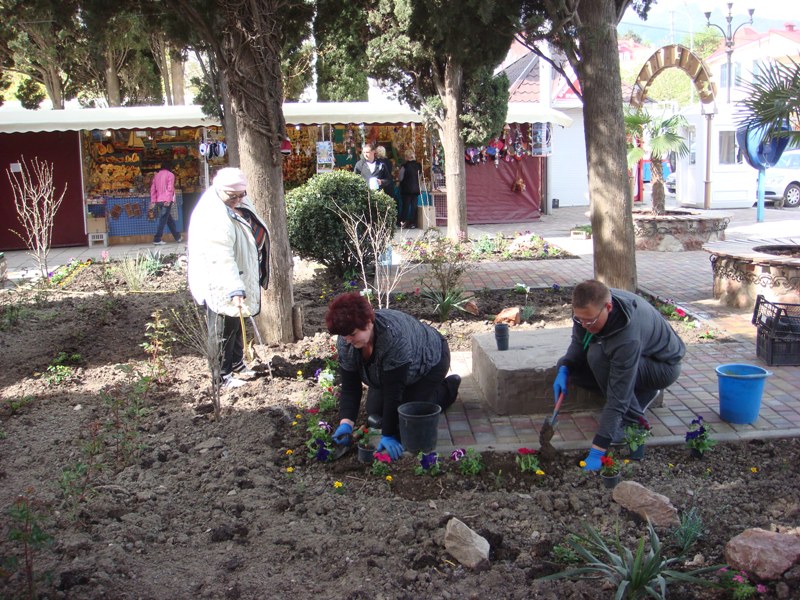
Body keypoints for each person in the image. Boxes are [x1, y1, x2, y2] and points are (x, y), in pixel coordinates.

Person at [553, 280, 685, 471]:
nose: (584, 324)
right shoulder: (592, 308)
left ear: (608, 307)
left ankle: (634, 423)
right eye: (579, 319)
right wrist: (565, 367)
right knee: (570, 364)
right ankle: (641, 395)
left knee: (598, 357)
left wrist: (598, 450)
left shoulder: (627, 335)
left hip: (662, 367)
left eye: (589, 321)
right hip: (637, 360)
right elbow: (579, 341)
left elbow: (617, 396)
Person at [326, 292, 462, 460]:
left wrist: (389, 434)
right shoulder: (347, 341)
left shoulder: (392, 338)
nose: (348, 340)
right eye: (344, 336)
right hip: (394, 371)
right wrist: (346, 424)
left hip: (431, 359)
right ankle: (414, 397)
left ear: (368, 323)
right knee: (375, 412)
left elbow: (393, 392)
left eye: (352, 334)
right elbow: (350, 387)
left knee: (408, 414)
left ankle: (448, 388)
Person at [187, 167, 270, 390]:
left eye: (241, 195)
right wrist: (235, 289)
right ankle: (220, 376)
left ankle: (236, 364)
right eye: (232, 196)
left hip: (237, 273)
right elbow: (220, 257)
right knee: (222, 328)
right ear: (219, 190)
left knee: (235, 322)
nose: (238, 200)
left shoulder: (236, 200)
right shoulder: (214, 215)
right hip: (219, 279)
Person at [150, 167, 182, 245]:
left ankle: (177, 237)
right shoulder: (170, 175)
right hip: (166, 200)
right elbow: (170, 188)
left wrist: (153, 201)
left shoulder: (156, 175)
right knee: (163, 219)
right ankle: (157, 239)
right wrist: (167, 200)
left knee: (168, 219)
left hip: (159, 200)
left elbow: (152, 189)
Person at [398, 149, 422, 228]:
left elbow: (400, 178)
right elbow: (420, 177)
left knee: (406, 206)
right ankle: (413, 223)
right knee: (414, 207)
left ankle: (403, 222)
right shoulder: (418, 166)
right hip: (415, 189)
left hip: (406, 189)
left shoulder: (404, 166)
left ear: (406, 157)